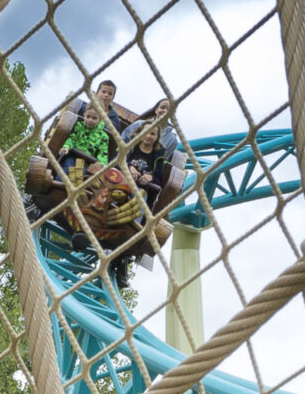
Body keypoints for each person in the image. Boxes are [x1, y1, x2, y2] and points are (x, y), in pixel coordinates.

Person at [23, 77, 189, 293]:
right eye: (104, 92)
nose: (148, 136)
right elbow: (118, 152)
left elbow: (157, 172)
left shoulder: (161, 151)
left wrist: (148, 178)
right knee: (80, 170)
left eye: (152, 134)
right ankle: (43, 199)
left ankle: (125, 248)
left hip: (129, 185)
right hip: (105, 170)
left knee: (137, 197)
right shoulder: (124, 137)